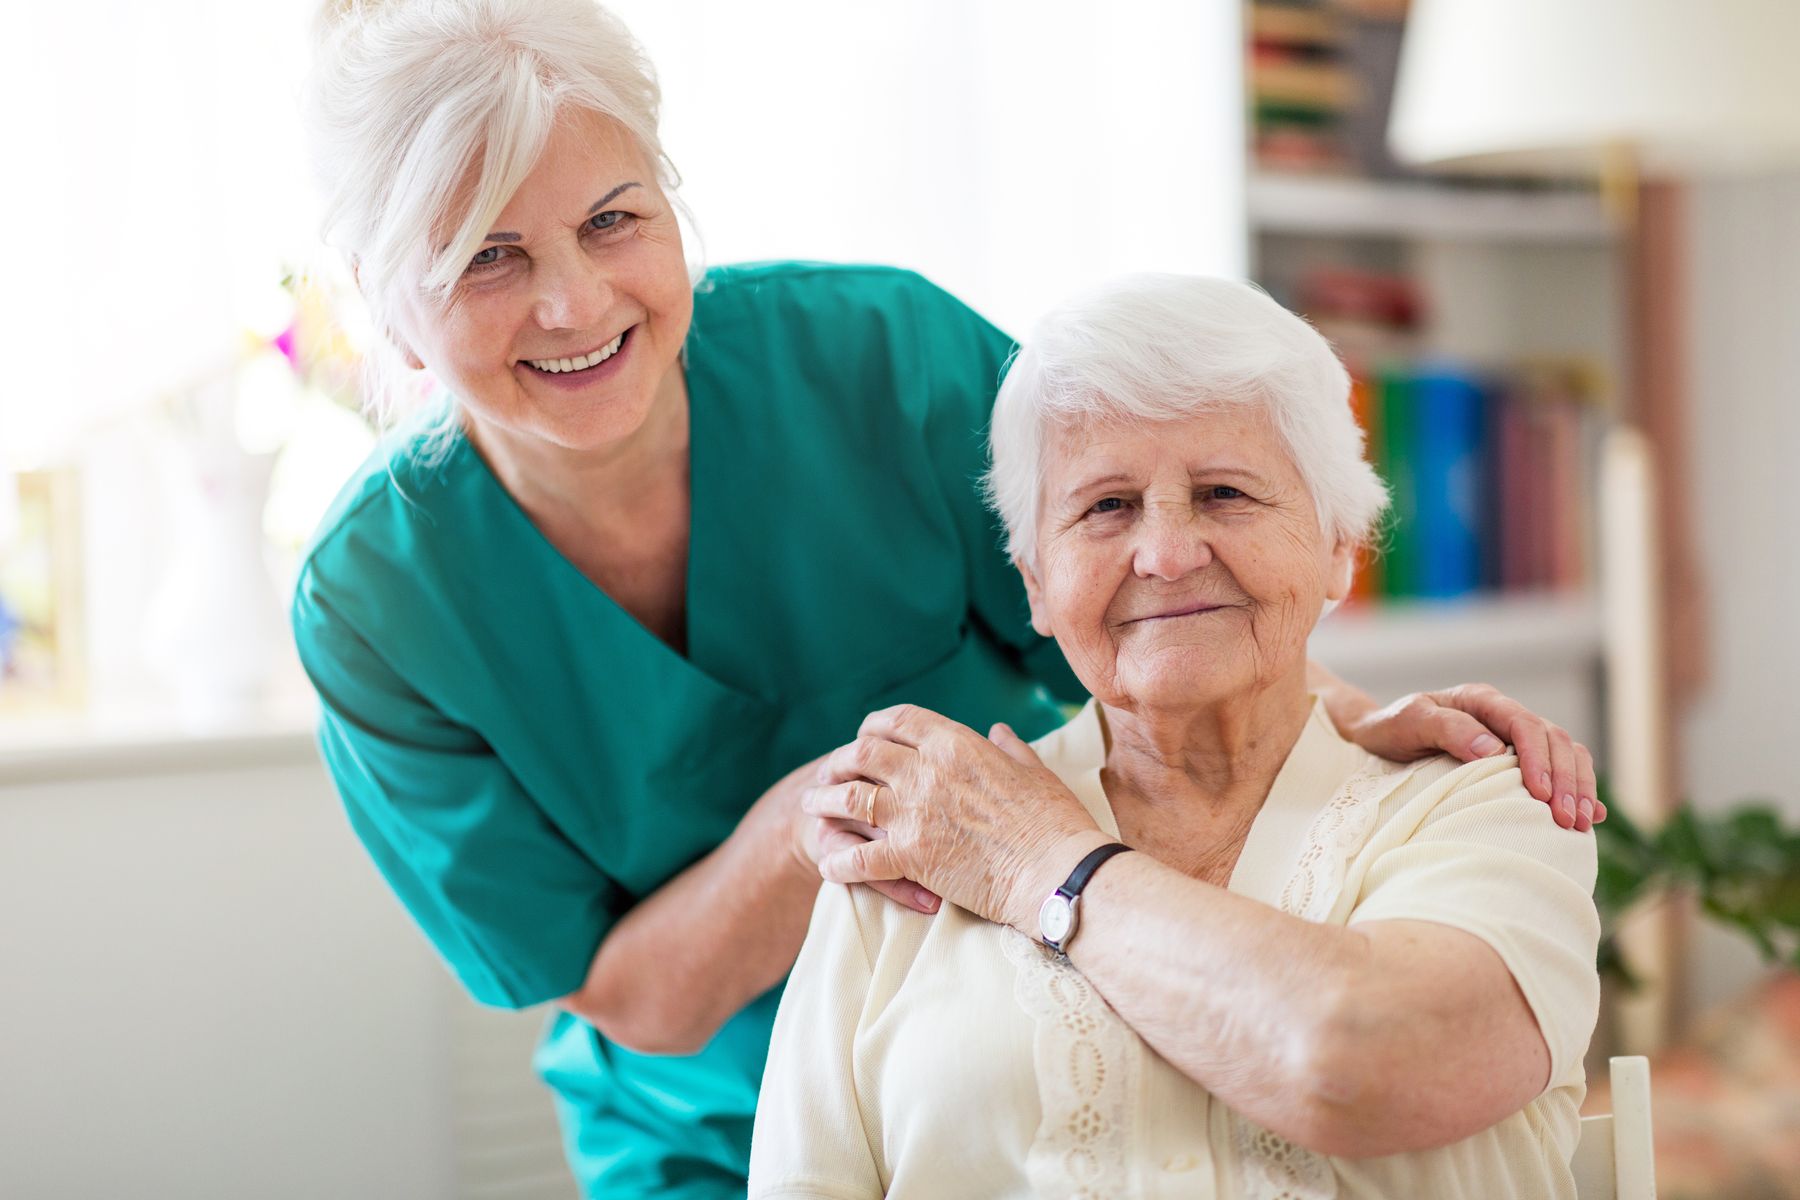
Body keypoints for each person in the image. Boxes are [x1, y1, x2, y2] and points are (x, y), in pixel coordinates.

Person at [294, 2, 1603, 1195]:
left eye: (613, 218)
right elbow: (635, 999)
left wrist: (1350, 732)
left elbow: (1148, 583)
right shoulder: (379, 606)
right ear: (394, 314)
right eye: (489, 259)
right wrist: (841, 807)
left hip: (1035, 1029)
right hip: (699, 1130)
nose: (576, 298)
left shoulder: (885, 362)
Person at [751, 274, 1602, 1198]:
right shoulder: (923, 840)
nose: (1165, 554)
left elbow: (1360, 1064)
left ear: (1338, 547)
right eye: (1106, 506)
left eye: (1226, 493)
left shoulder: (1482, 799)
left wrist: (1044, 863)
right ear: (1034, 581)